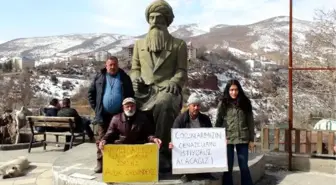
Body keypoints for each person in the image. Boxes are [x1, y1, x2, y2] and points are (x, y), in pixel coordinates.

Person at [130, 0, 188, 170]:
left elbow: (182, 71)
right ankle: (133, 148)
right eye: (152, 18)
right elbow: (135, 68)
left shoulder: (179, 45)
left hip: (167, 88)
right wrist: (136, 79)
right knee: (126, 102)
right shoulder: (139, 44)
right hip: (144, 90)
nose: (155, 22)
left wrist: (173, 81)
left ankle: (162, 152)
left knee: (164, 103)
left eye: (159, 18)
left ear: (166, 21)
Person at [88, 56, 134, 173]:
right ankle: (100, 163)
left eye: (114, 64)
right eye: (110, 65)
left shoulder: (124, 77)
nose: (112, 67)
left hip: (119, 116)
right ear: (106, 65)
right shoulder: (99, 77)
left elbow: (131, 95)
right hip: (103, 115)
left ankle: (117, 163)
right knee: (102, 139)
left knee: (118, 139)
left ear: (117, 65)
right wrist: (97, 108)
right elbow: (91, 94)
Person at [98, 97, 162, 171]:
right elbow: (109, 134)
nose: (130, 108)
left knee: (152, 145)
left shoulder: (143, 118)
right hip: (121, 148)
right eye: (127, 106)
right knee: (103, 145)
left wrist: (154, 139)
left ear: (135, 106)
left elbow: (148, 134)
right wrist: (104, 140)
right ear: (123, 107)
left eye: (132, 106)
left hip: (138, 149)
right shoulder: (116, 118)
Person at [169, 94, 217, 182]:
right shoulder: (180, 119)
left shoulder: (205, 119)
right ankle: (186, 173)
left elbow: (211, 136)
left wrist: (219, 141)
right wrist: (172, 144)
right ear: (189, 106)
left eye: (198, 105)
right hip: (187, 150)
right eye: (193, 105)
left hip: (201, 148)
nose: (196, 108)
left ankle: (205, 172)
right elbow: (174, 137)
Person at [215, 79, 255, 185]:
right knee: (228, 167)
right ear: (228, 90)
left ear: (239, 90)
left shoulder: (245, 103)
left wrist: (251, 140)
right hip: (227, 139)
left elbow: (250, 122)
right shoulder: (223, 103)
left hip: (243, 138)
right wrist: (216, 139)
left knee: (244, 167)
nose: (234, 92)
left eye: (236, 90)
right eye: (231, 90)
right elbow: (218, 122)